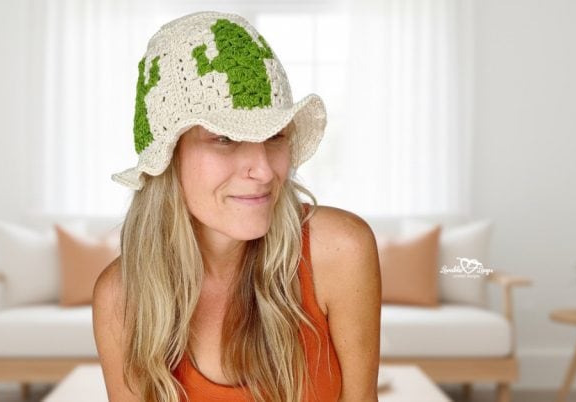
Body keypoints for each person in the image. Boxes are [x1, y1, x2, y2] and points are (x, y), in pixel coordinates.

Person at [92, 11, 381, 402]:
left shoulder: (339, 251)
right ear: (168, 157)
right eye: (226, 138)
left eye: (276, 136)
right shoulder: (121, 298)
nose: (264, 170)